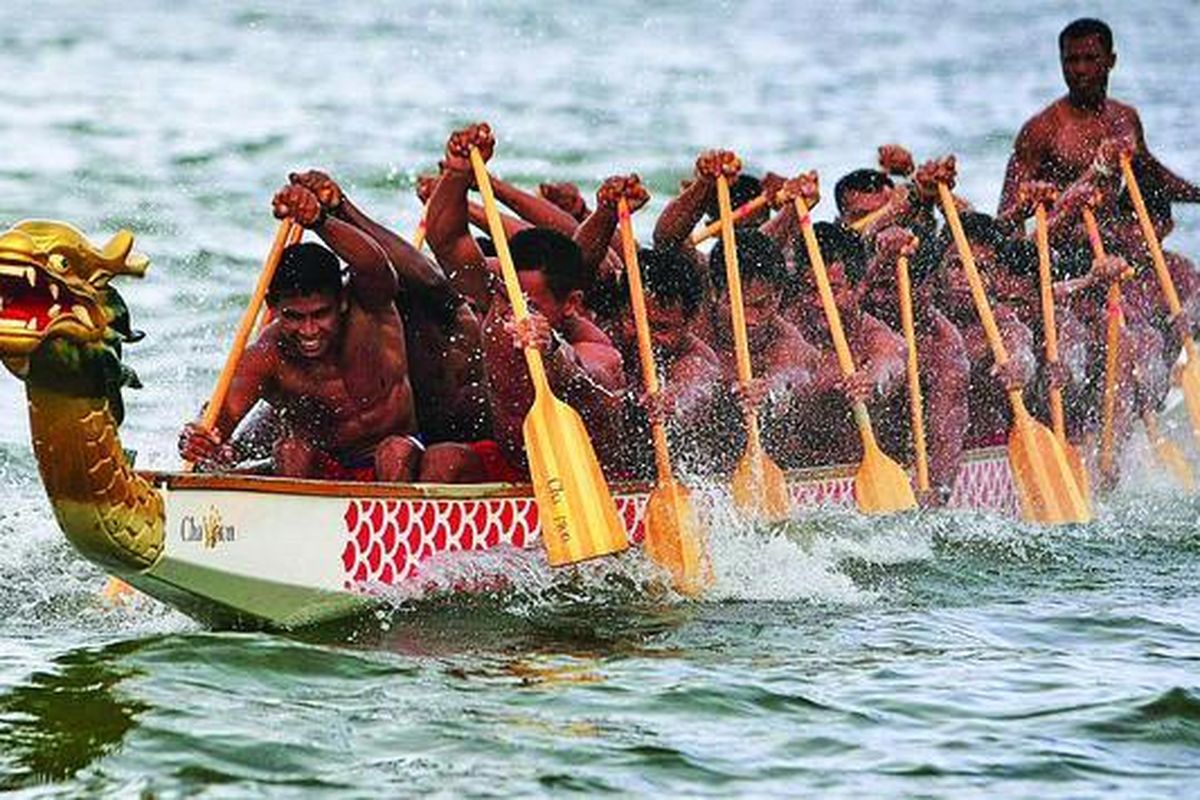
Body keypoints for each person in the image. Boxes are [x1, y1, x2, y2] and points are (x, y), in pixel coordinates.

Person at [179, 183, 483, 482]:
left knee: (394, 452)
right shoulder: (267, 354)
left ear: (341, 302)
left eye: (320, 314)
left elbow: (375, 263)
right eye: (294, 317)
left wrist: (321, 221)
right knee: (291, 451)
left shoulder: (371, 309)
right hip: (329, 469)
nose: (309, 330)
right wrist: (199, 436)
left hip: (402, 454)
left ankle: (386, 526)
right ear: (273, 307)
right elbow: (222, 414)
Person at [424, 123, 629, 477]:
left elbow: (597, 381)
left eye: (531, 304)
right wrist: (457, 174)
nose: (516, 311)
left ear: (571, 303)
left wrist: (552, 350)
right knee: (443, 459)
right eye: (509, 296)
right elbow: (447, 243)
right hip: (519, 463)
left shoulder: (593, 343)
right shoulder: (495, 295)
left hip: (585, 475)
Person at [998, 17, 1200, 221]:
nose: (1080, 70)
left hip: (1114, 243)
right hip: (1063, 246)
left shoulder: (1125, 118)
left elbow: (1154, 176)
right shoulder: (1041, 129)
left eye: (1090, 58)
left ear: (1111, 61)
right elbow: (1005, 216)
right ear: (1061, 62)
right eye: (1072, 60)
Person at [857, 226, 971, 505]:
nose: (880, 298)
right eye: (878, 286)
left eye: (891, 288)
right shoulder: (860, 313)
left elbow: (945, 433)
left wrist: (935, 490)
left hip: (903, 474)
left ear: (927, 288)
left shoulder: (943, 345)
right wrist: (882, 259)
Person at [781, 221, 907, 467]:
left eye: (832, 290)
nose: (819, 302)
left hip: (857, 471)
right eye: (811, 290)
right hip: (793, 470)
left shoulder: (875, 337)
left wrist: (872, 382)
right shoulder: (788, 323)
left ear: (858, 288)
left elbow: (890, 363)